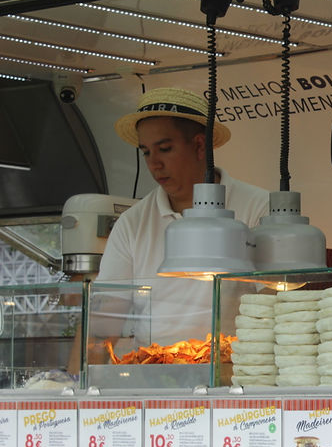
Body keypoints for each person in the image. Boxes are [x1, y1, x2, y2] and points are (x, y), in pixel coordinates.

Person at [69, 87, 268, 374]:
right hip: (153, 376)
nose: (154, 163)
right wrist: (73, 384)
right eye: (146, 152)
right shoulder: (132, 223)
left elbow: (274, 304)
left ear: (200, 146)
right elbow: (102, 321)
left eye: (164, 149)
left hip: (235, 375)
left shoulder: (257, 208)